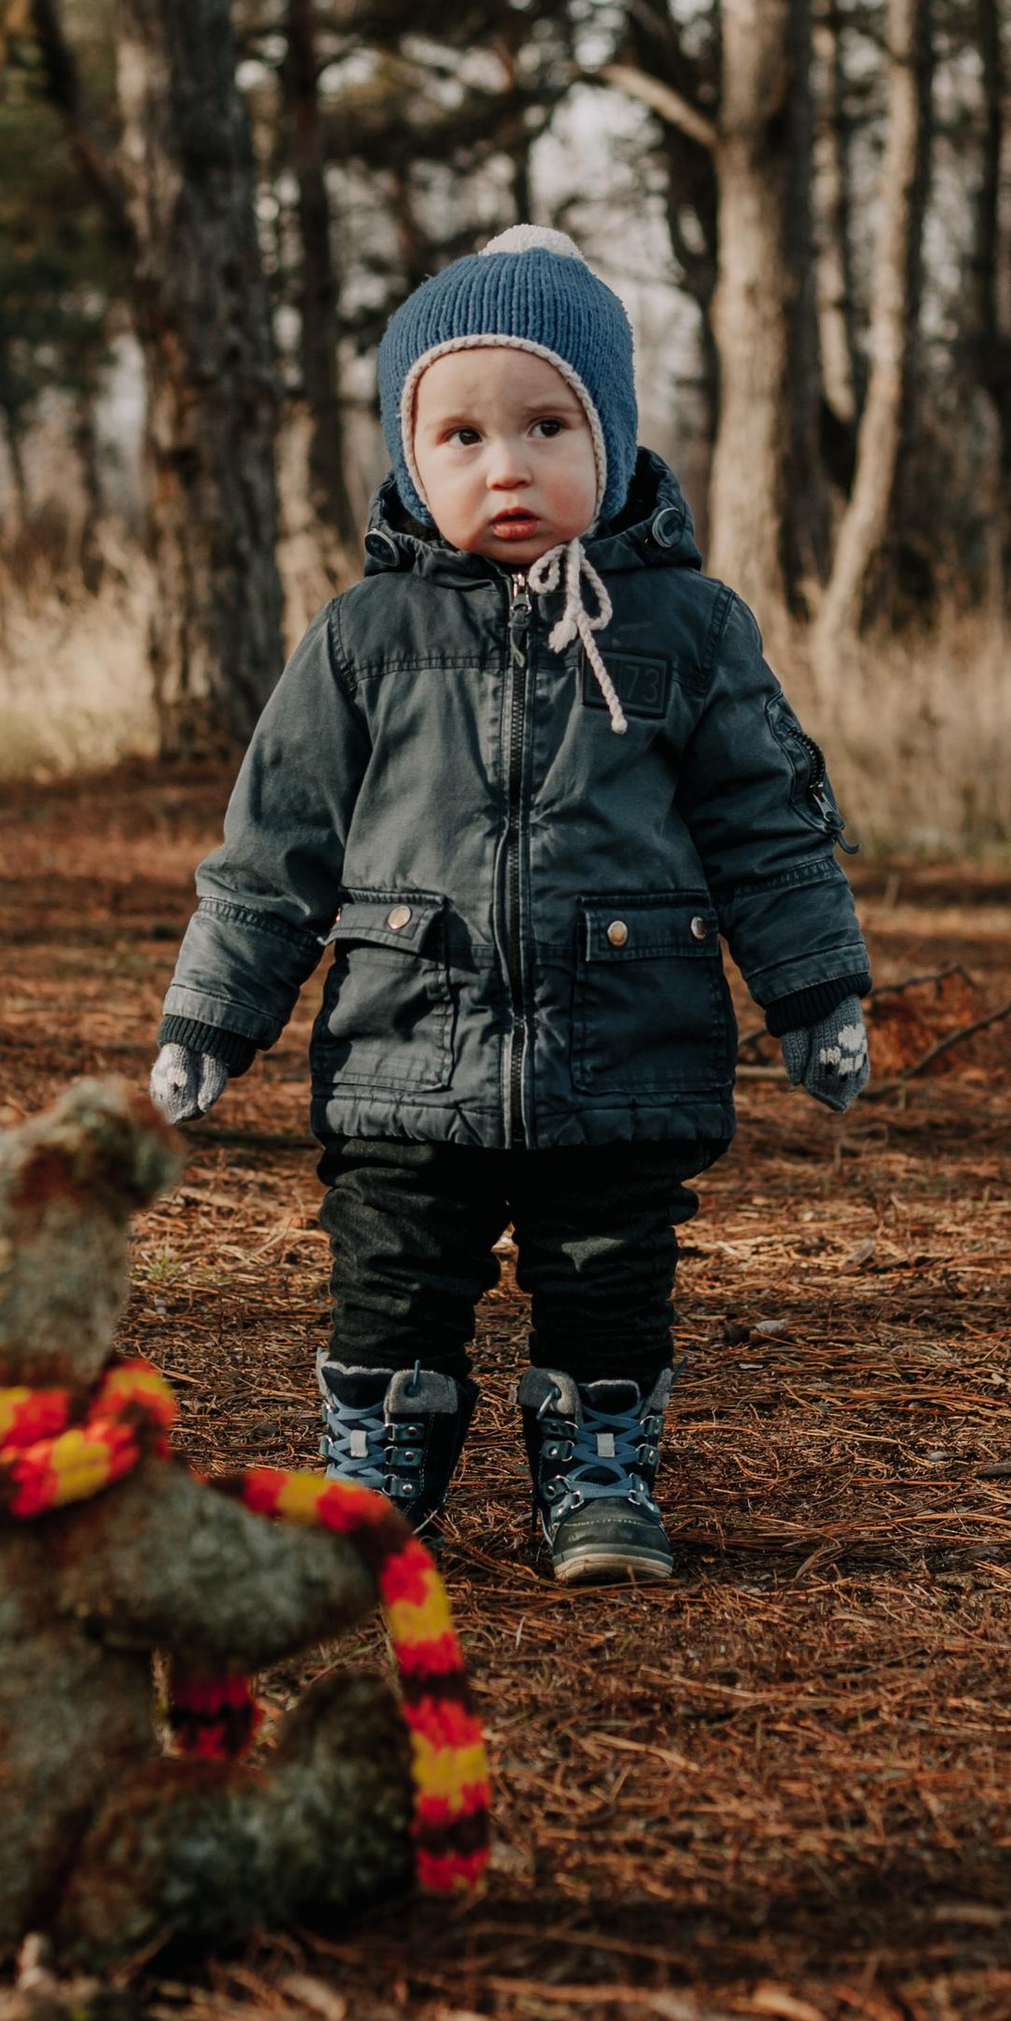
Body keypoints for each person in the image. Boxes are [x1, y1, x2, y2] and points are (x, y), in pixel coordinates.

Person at [149, 225, 871, 1589]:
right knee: (392, 1274)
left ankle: (600, 1477)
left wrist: (817, 995)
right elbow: (272, 854)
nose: (507, 466)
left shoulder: (689, 630)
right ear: (409, 462)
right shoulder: (364, 638)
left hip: (627, 1047)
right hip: (403, 1045)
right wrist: (210, 1017)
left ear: (611, 439)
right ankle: (376, 1475)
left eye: (547, 427)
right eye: (463, 436)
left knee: (608, 1279)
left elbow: (770, 829)